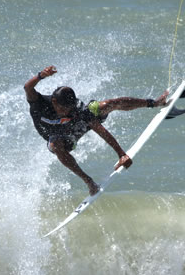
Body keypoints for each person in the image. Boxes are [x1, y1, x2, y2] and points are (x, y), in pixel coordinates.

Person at [24, 65, 168, 196]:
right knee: (56, 145)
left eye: (69, 109)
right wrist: (41, 76)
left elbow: (98, 128)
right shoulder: (39, 103)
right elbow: (27, 88)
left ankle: (153, 103)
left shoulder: (76, 109)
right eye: (63, 109)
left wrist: (121, 154)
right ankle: (89, 182)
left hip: (76, 129)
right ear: (54, 102)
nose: (66, 112)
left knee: (108, 104)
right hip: (63, 139)